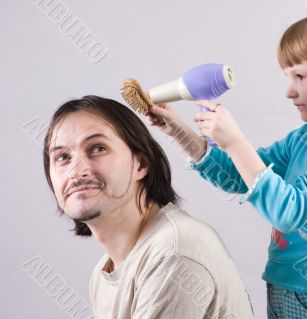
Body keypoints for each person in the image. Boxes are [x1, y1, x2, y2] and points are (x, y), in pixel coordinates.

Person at [147, 10, 307, 319]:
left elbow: (291, 211)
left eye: (300, 76)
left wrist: (235, 141)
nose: (289, 91)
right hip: (286, 285)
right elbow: (242, 176)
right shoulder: (305, 137)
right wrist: (179, 132)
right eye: (288, 77)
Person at [42, 95, 254, 319]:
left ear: (140, 164)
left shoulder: (173, 253)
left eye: (97, 149)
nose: (77, 170)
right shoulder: (104, 272)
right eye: (63, 157)